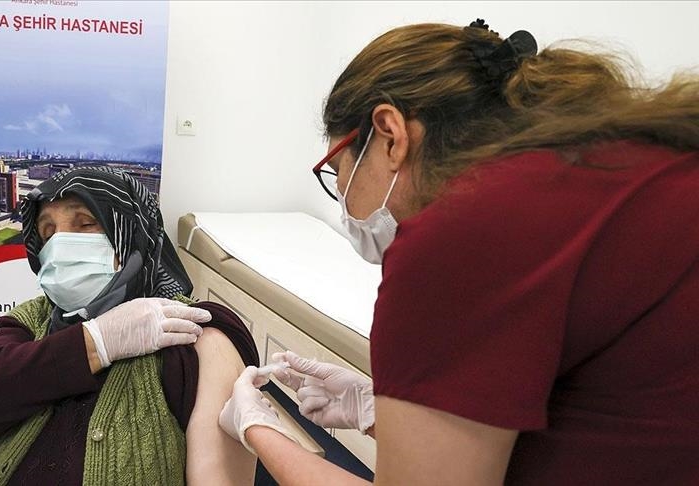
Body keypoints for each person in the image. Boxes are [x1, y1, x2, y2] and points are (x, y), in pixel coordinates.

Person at [219, 19, 699, 485]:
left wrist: (259, 429)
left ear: (390, 135)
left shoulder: (457, 237)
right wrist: (376, 412)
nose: (343, 199)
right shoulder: (597, 166)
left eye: (337, 170)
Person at [0, 166, 259, 485]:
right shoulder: (33, 319)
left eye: (86, 223)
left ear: (131, 230)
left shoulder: (193, 331)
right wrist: (95, 342)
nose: (60, 245)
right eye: (48, 232)